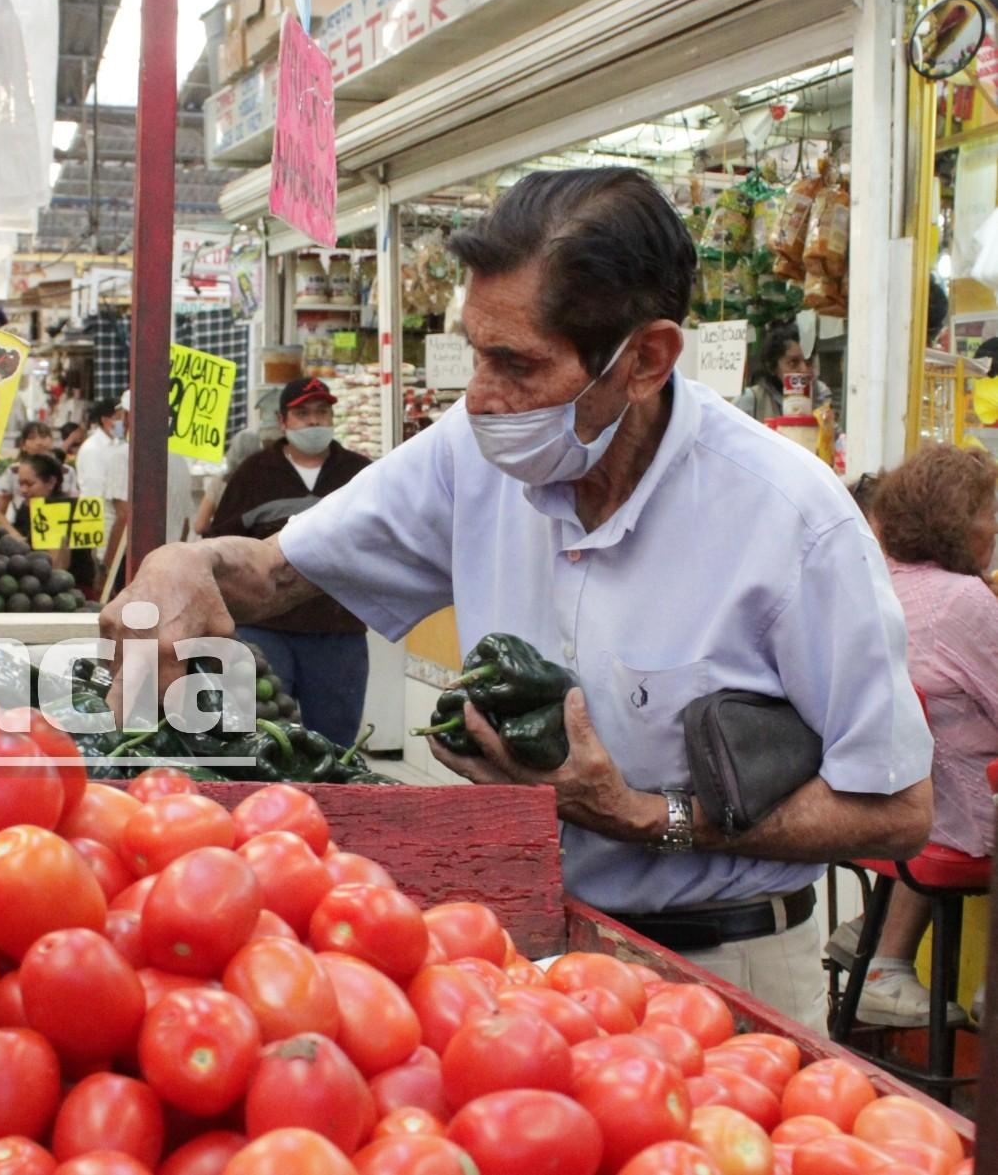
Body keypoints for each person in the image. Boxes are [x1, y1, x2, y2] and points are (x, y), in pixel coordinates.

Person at [99, 168, 932, 1030]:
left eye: (517, 364)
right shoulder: (474, 453)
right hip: (524, 955)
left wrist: (644, 815)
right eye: (475, 351)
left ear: (645, 359)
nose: (480, 397)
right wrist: (182, 563)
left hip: (724, 971)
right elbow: (278, 571)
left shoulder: (790, 519)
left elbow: (898, 807)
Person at [820, 445, 996, 1026]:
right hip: (958, 817)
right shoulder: (963, 599)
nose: (996, 523)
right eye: (989, 509)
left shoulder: (883, 580)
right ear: (956, 519)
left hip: (878, 798)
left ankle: (879, 949)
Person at [205, 378, 371, 744]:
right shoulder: (253, 475)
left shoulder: (361, 473)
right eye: (302, 413)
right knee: (257, 735)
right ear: (282, 422)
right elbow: (221, 546)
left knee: (334, 740)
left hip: (338, 633)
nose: (314, 422)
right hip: (263, 628)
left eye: (322, 412)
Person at [195, 389, 283, 537]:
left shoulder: (220, 482)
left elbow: (200, 526)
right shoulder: (273, 480)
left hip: (224, 550)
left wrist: (220, 527)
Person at [12, 452, 96, 592]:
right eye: (20, 484)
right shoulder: (27, 508)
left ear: (51, 482)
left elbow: (57, 566)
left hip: (71, 592)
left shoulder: (58, 510)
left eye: (29, 484)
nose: (23, 490)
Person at [75, 395, 130, 592]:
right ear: (106, 420)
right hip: (103, 528)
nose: (122, 421)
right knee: (106, 587)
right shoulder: (92, 450)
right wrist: (94, 544)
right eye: (118, 416)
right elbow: (92, 498)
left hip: (117, 527)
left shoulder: (119, 446)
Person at [734, 324, 831, 421]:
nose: (804, 370)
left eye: (809, 361)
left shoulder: (821, 395)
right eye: (793, 363)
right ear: (772, 367)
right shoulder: (751, 399)